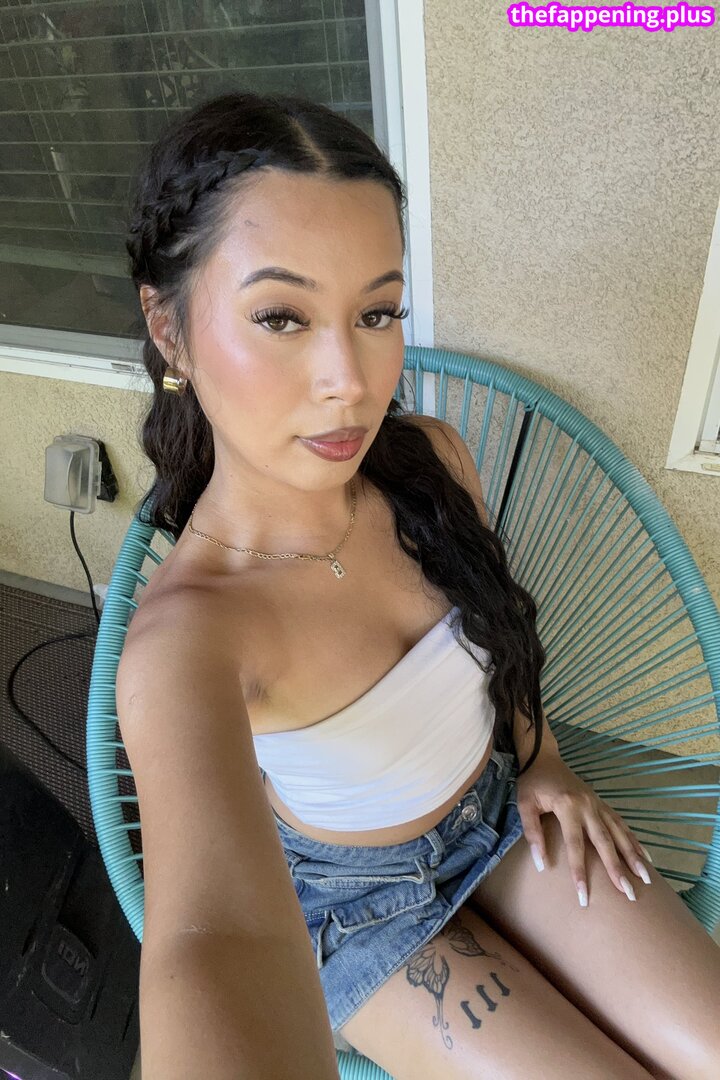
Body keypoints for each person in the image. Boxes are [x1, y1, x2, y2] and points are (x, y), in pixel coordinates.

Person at [117, 91, 720, 1080]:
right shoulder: (189, 641)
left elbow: (500, 620)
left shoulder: (429, 463)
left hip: (499, 814)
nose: (349, 379)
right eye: (281, 316)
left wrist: (544, 758)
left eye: (377, 312)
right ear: (169, 328)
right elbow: (218, 941)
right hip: (357, 914)